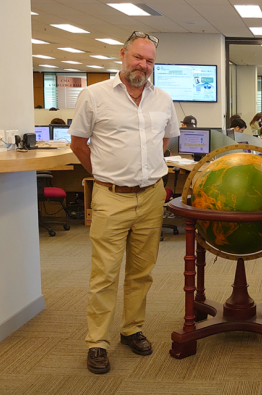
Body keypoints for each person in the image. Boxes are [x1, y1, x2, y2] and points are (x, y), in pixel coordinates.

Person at [68, 31, 180, 375]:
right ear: (123, 54)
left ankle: (132, 328)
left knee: (141, 273)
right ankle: (97, 342)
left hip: (149, 196)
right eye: (138, 58)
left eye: (149, 61)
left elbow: (163, 141)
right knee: (104, 274)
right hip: (111, 197)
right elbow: (77, 142)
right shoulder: (94, 96)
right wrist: (104, 174)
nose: (143, 66)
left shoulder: (162, 99)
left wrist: (142, 173)